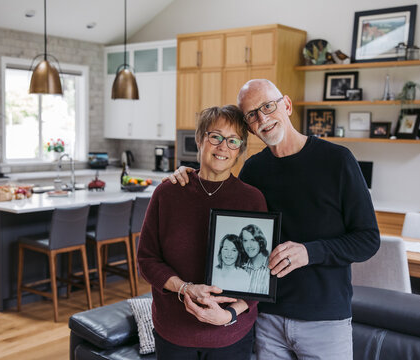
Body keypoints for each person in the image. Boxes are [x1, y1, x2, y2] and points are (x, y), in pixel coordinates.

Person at [166, 79, 380, 360]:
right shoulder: (254, 170)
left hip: (324, 319)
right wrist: (189, 176)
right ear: (249, 127)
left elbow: (368, 239)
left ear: (287, 105)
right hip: (266, 319)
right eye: (252, 114)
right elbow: (222, 212)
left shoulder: (337, 160)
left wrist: (310, 252)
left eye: (268, 106)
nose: (263, 118)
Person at [137, 104, 268, 360]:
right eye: (215, 136)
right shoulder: (168, 193)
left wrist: (230, 314)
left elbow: (259, 273)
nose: (223, 147)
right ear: (200, 139)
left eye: (233, 141)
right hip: (174, 331)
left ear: (240, 150)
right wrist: (185, 288)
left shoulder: (252, 199)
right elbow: (147, 261)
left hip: (230, 332)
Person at [240, 224, 270, 294]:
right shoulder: (241, 268)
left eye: (253, 240)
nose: (249, 245)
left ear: (260, 242)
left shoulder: (271, 266)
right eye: (245, 240)